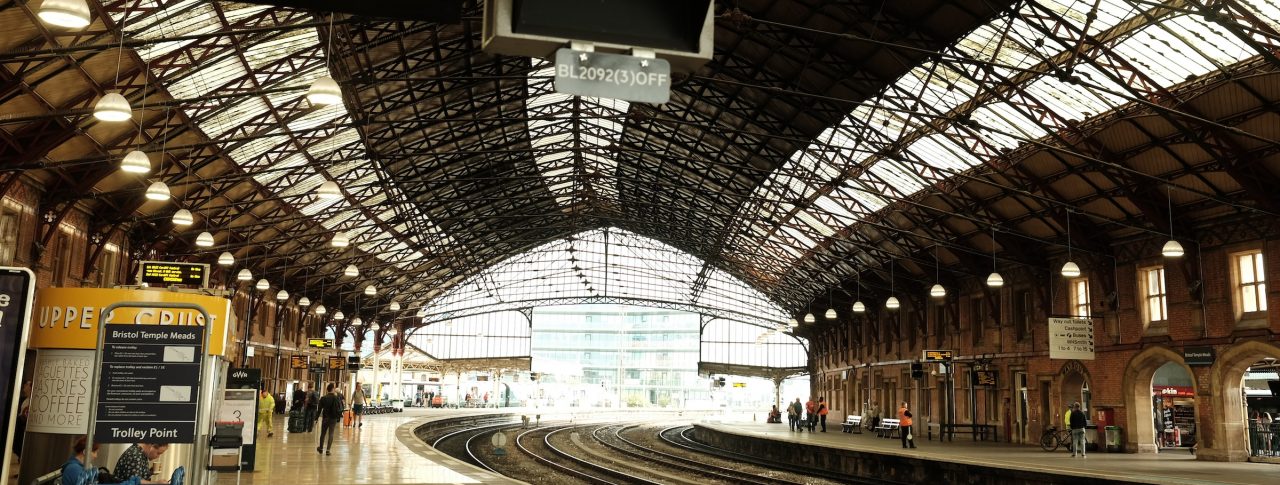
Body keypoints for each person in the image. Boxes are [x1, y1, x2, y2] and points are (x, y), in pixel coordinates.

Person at [61, 437, 140, 485]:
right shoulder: (73, 469)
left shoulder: (82, 468)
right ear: (85, 452)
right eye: (95, 452)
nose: (96, 456)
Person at [317, 383, 343, 455]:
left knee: (323, 433)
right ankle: (328, 450)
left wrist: (316, 418)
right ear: (332, 389)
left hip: (325, 417)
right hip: (333, 418)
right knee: (331, 433)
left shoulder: (323, 398)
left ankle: (321, 448)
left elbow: (319, 409)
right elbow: (339, 408)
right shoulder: (336, 398)